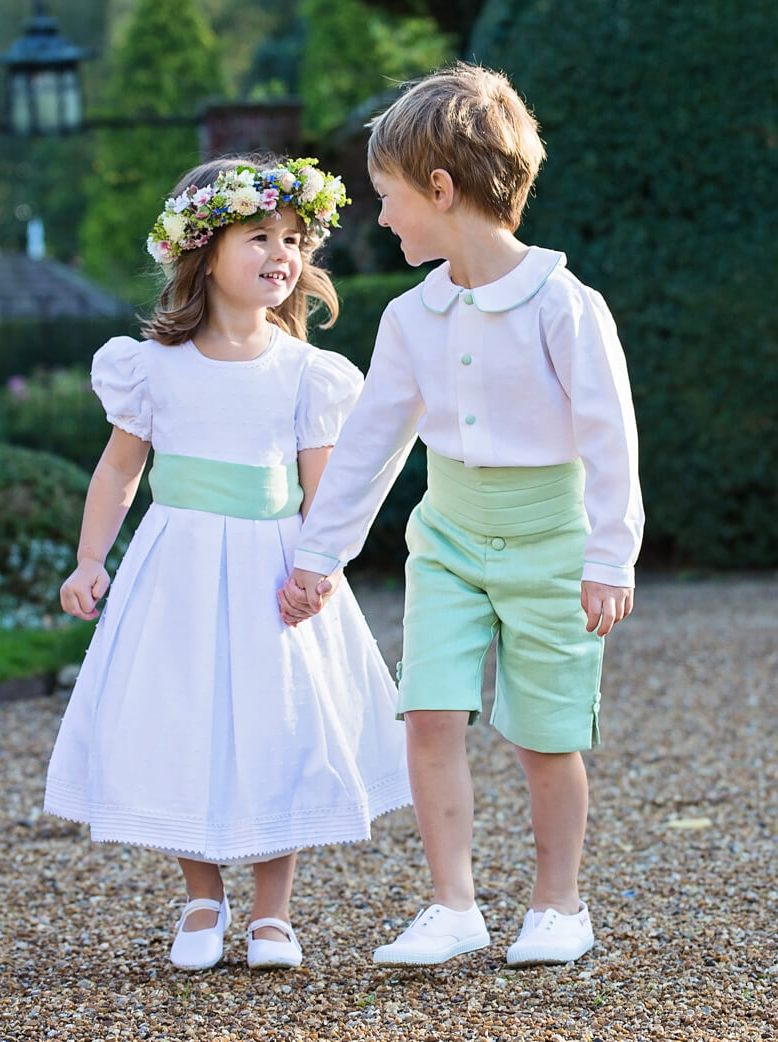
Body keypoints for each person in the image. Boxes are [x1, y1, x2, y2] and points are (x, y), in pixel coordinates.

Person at [279, 64, 644, 968]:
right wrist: (319, 556)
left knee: (545, 733)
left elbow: (610, 438)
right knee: (431, 711)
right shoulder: (412, 316)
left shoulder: (565, 304)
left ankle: (558, 906)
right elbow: (370, 444)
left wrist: (611, 556)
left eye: (390, 196)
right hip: (445, 537)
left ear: (441, 190)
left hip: (552, 539)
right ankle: (455, 906)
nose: (384, 216)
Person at [44, 155, 412, 973]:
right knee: (187, 719)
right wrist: (89, 558)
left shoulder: (308, 375)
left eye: (292, 239)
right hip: (176, 569)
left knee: (278, 724)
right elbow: (119, 469)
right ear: (202, 253)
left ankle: (272, 913)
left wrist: (319, 570)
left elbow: (327, 490)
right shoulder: (151, 366)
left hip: (272, 571)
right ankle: (202, 896)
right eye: (257, 237)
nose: (280, 253)